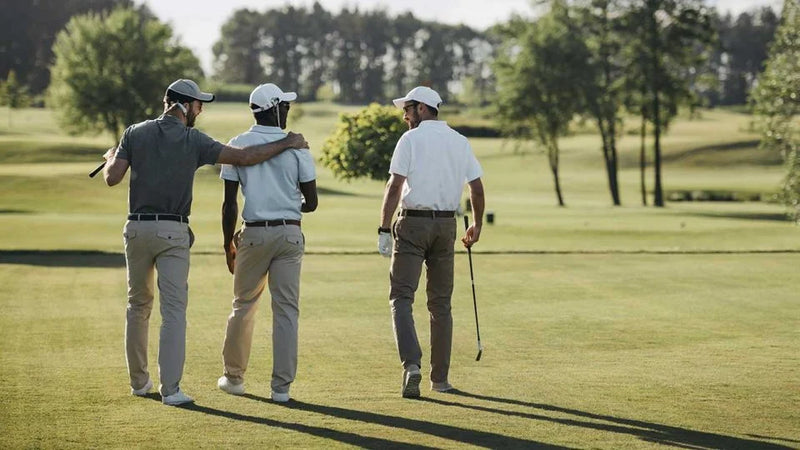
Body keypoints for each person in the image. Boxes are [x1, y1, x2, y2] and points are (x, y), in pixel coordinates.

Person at [102, 78, 308, 406]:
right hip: (173, 233)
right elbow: (244, 157)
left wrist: (113, 155)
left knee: (137, 306)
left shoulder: (133, 132)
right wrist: (287, 143)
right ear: (186, 105)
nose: (201, 110)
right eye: (200, 104)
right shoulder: (193, 139)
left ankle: (139, 384)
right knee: (173, 312)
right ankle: (171, 391)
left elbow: (112, 177)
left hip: (136, 230)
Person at [378, 86, 485, 398]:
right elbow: (476, 188)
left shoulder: (410, 139)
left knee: (401, 297)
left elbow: (394, 185)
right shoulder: (459, 141)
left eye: (407, 109)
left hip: (412, 224)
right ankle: (440, 380)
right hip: (447, 226)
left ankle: (412, 365)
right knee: (440, 304)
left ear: (422, 108)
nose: (404, 116)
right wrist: (477, 224)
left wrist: (384, 229)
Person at [216, 83, 317, 403]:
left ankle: (233, 379)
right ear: (273, 108)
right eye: (284, 106)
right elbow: (311, 202)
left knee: (243, 306)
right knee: (286, 311)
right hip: (289, 234)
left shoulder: (237, 144)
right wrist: (287, 205)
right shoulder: (298, 146)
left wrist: (226, 243)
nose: (287, 110)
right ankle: (281, 389)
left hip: (253, 234)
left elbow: (229, 203)